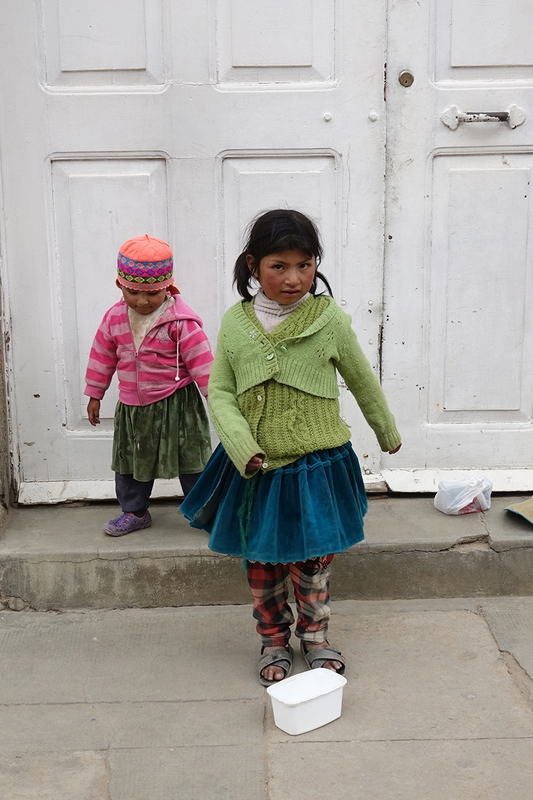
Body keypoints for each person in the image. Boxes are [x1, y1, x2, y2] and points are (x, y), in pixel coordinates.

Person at [180, 209, 401, 685]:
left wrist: (385, 429)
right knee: (262, 562)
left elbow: (361, 379)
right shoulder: (236, 324)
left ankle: (315, 637)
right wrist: (241, 445)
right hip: (256, 469)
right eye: (278, 266)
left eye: (305, 265)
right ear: (253, 265)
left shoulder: (329, 320)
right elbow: (220, 392)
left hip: (316, 465)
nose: (294, 278)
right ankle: (273, 640)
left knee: (314, 561)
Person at [85, 234, 214, 536]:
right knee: (131, 461)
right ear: (120, 285)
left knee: (192, 461)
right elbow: (102, 355)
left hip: (178, 405)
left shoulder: (181, 322)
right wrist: (94, 393)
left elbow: (203, 363)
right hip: (134, 408)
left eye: (152, 293)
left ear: (167, 286)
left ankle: (207, 513)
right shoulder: (114, 318)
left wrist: (216, 399)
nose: (142, 301)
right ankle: (135, 511)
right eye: (133, 292)